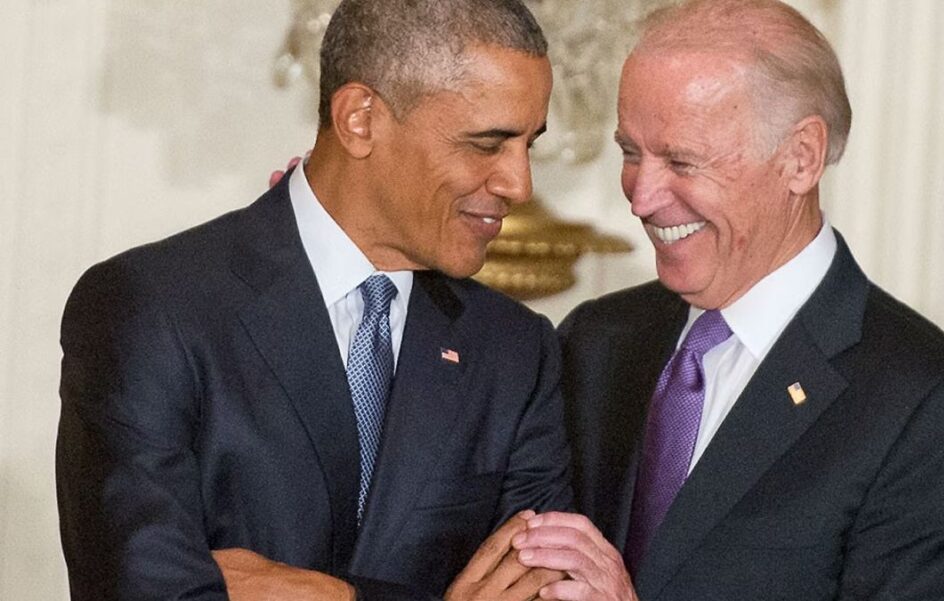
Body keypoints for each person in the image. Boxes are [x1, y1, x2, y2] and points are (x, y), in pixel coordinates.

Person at [55, 1, 572, 600]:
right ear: (360, 119)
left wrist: (337, 596)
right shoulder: (151, 308)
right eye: (488, 144)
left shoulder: (515, 350)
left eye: (528, 145)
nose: (519, 184)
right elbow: (141, 589)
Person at [511, 1, 944, 600]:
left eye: (682, 160)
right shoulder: (595, 340)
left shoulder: (931, 409)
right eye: (630, 152)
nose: (641, 197)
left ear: (800, 157)